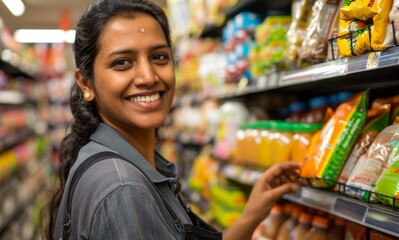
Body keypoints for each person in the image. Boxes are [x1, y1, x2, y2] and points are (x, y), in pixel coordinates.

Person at [45, 0, 302, 239]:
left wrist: (252, 212)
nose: (148, 77)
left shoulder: (123, 163)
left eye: (158, 57)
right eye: (122, 62)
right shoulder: (124, 190)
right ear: (86, 83)